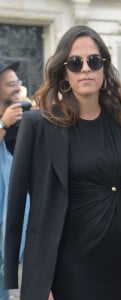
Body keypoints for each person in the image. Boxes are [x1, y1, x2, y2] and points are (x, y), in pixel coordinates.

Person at [3, 25, 121, 300]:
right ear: (64, 72)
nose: (86, 69)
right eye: (75, 63)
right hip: (68, 268)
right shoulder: (39, 125)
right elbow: (17, 202)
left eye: (94, 61)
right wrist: (23, 277)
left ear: (104, 67)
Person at [0, 61, 29, 300]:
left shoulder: (26, 120)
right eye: (11, 84)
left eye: (17, 82)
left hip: (22, 240)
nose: (17, 87)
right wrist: (3, 123)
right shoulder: (6, 123)